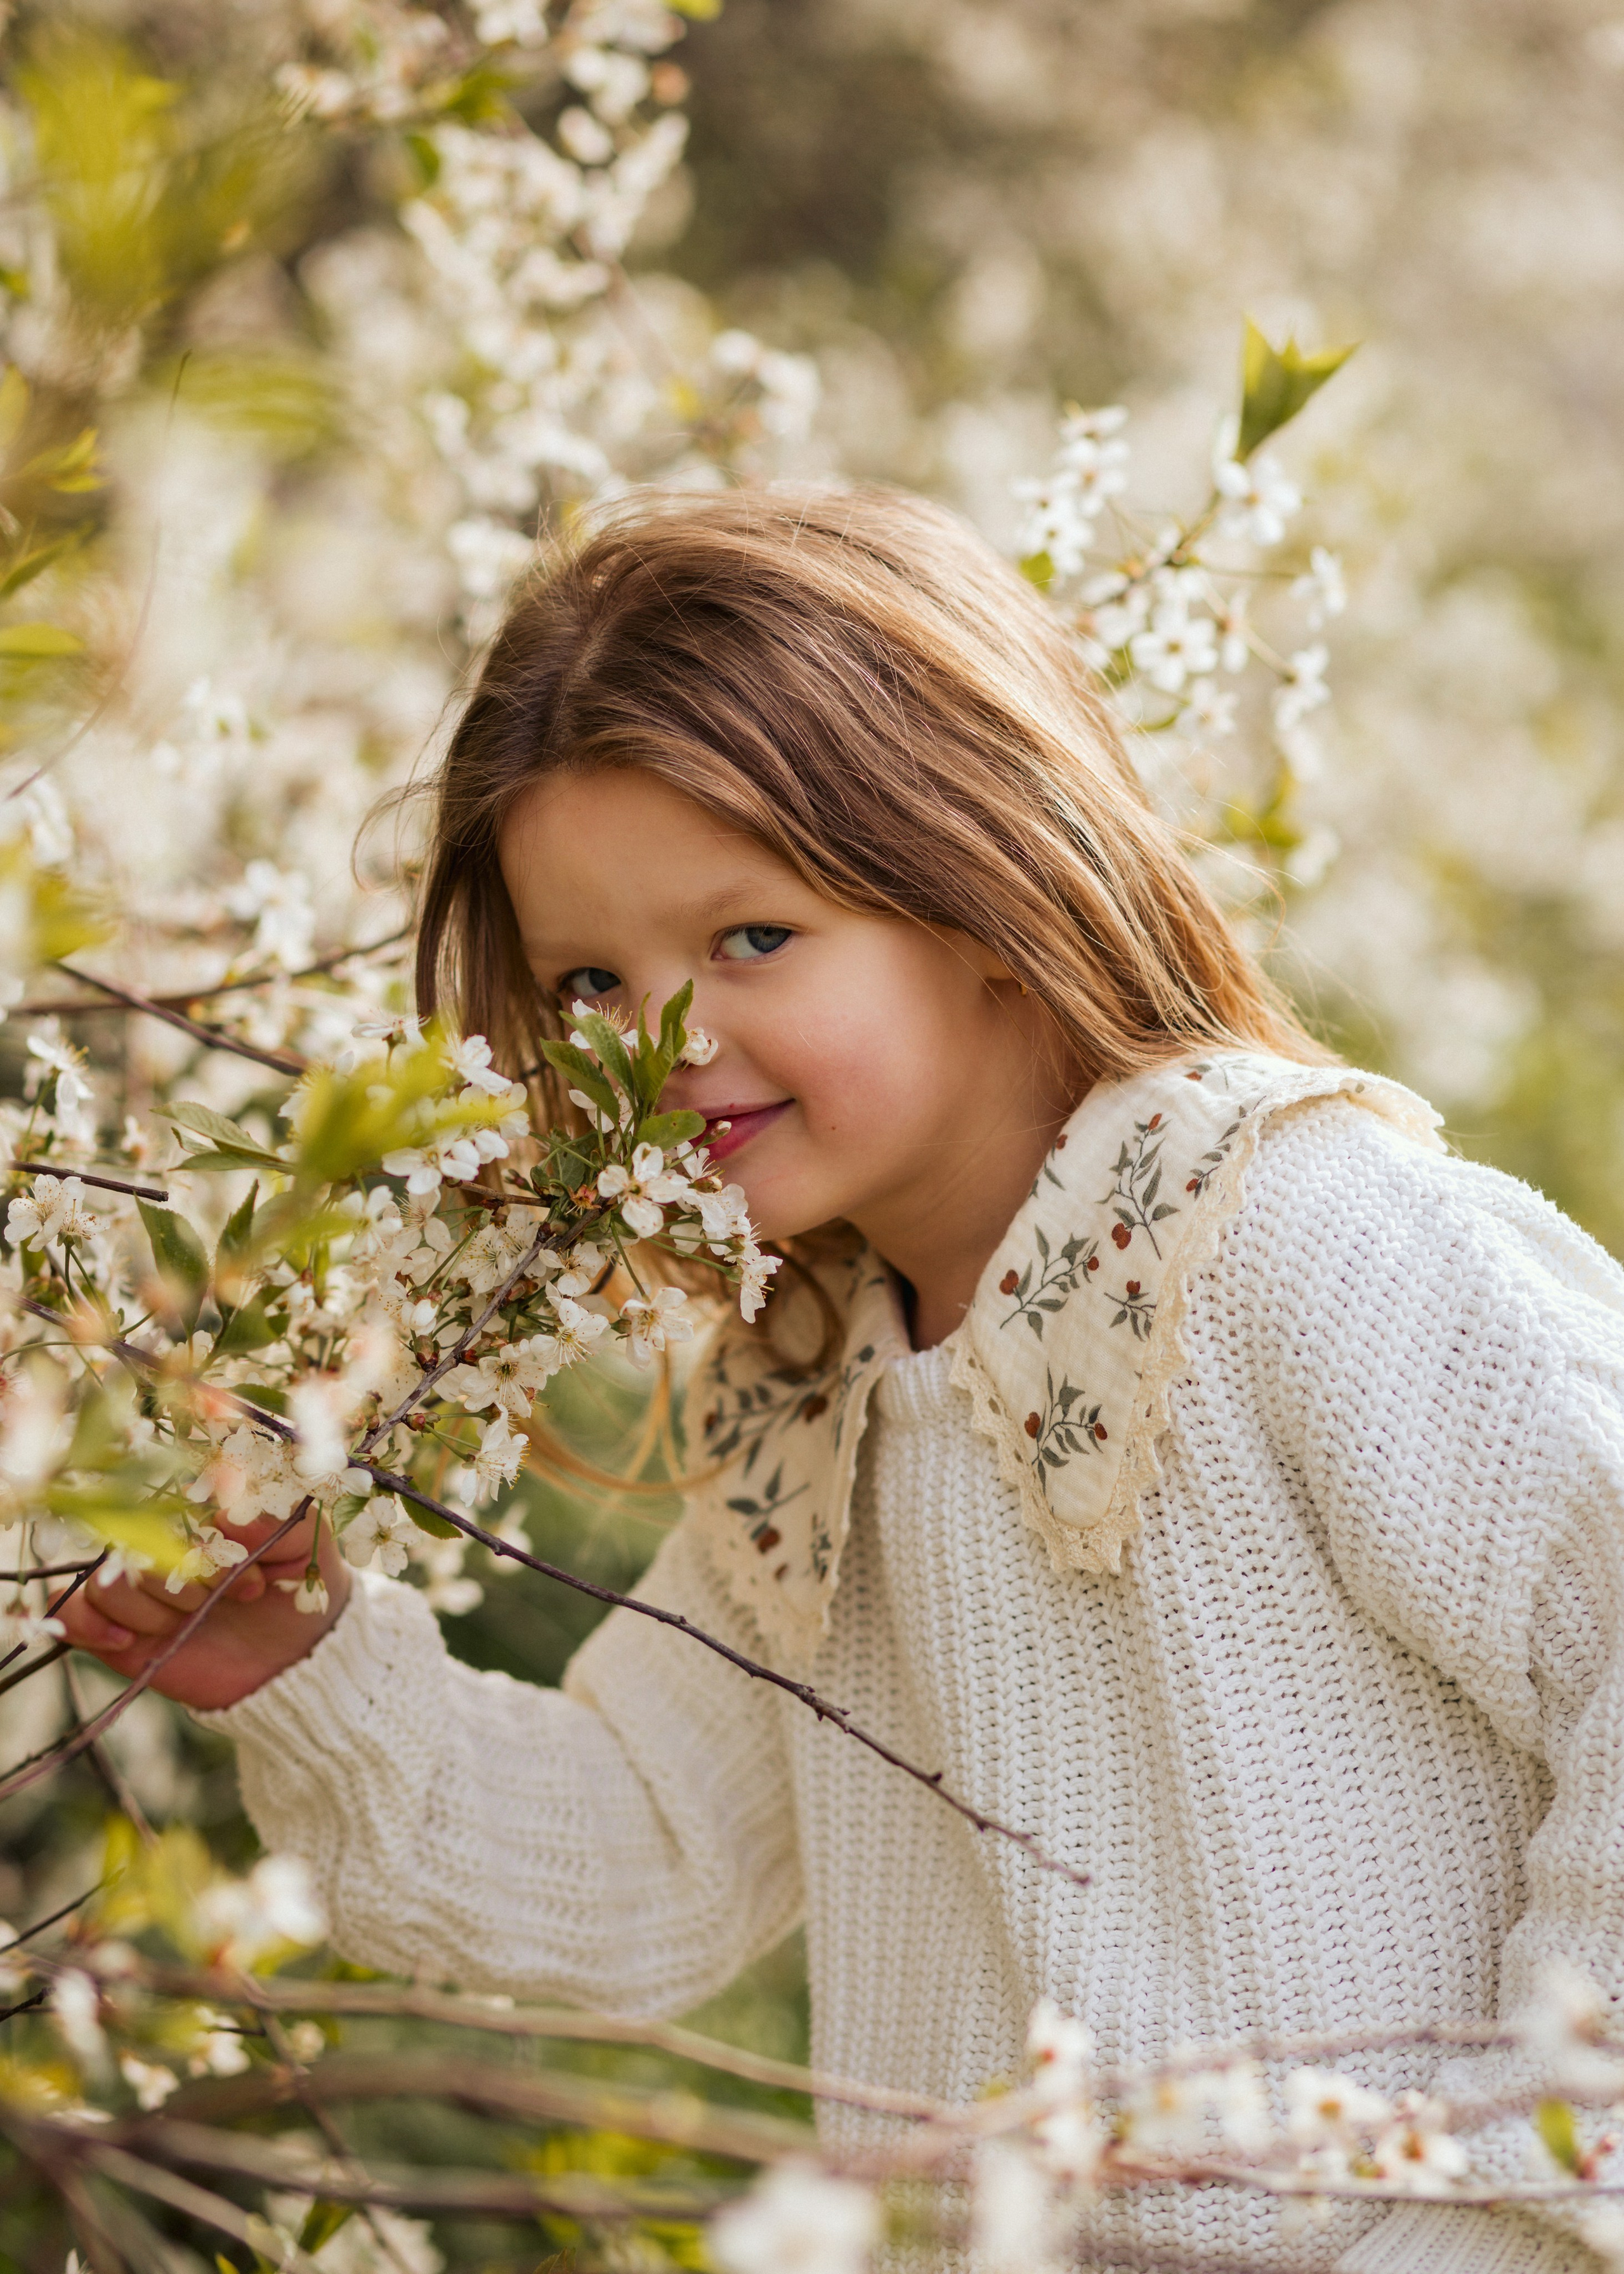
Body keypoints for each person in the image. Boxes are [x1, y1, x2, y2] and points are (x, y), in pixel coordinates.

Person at [56, 488, 1624, 2273]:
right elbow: (650, 1850)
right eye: (592, 981)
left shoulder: (1292, 1240)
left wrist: (1521, 2219)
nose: (664, 1044)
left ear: (979, 883)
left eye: (752, 938)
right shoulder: (820, 1390)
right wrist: (311, 1671)